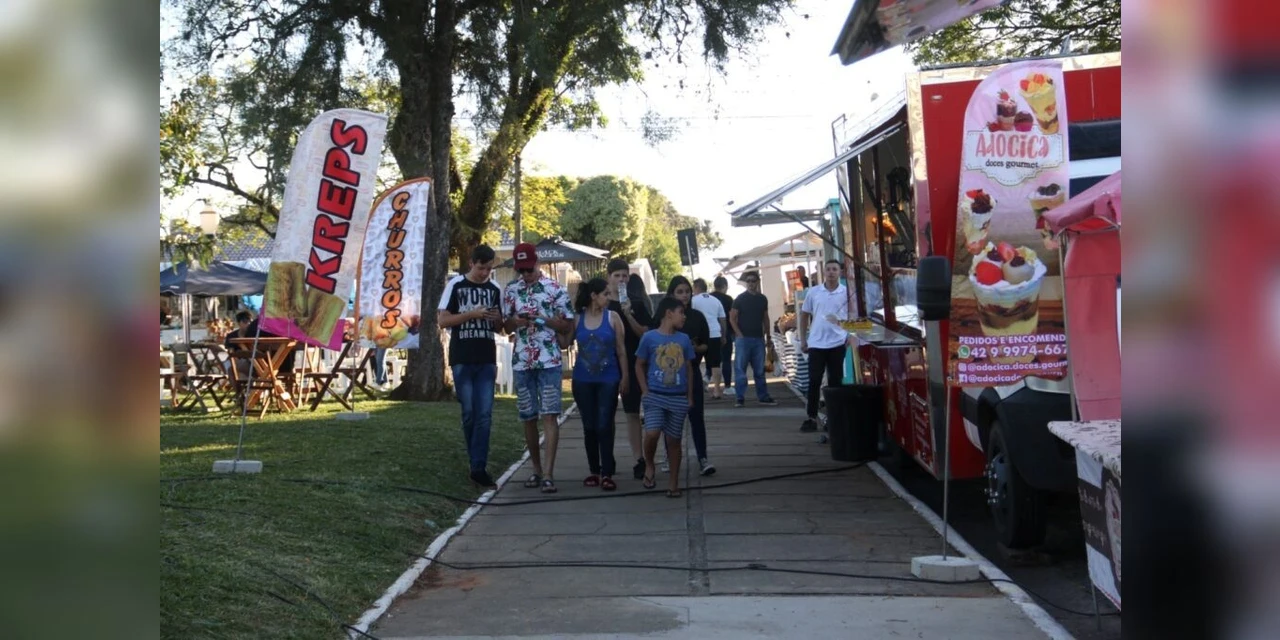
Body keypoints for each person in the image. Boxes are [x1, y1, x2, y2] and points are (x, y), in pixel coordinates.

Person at [502, 242, 575, 494]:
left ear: (538, 263)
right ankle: (535, 468)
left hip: (549, 360)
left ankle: (548, 473)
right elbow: (506, 326)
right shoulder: (511, 290)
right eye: (521, 270)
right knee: (528, 416)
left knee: (549, 414)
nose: (526, 274)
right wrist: (516, 321)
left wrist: (543, 320)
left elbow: (567, 325)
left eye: (529, 269)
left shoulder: (555, 289)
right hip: (522, 360)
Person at [439, 244, 503, 488]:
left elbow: (500, 328)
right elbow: (442, 320)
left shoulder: (495, 288)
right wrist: (471, 315)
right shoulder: (456, 285)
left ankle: (479, 466)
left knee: (484, 413)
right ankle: (474, 459)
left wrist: (497, 319)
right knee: (469, 412)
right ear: (471, 263)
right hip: (462, 357)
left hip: (486, 356)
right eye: (481, 268)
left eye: (488, 269)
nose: (484, 273)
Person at [569, 278, 629, 491]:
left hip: (608, 379)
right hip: (582, 380)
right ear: (593, 296)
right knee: (589, 426)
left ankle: (607, 472)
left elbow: (621, 350)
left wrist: (625, 377)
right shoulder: (578, 319)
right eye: (605, 294)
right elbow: (564, 341)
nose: (608, 297)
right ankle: (594, 470)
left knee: (604, 425)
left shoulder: (613, 318)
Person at [635, 296, 695, 497]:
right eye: (681, 312)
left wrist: (690, 396)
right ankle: (649, 463)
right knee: (652, 432)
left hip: (677, 397)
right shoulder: (650, 338)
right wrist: (645, 391)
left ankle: (673, 483)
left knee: (674, 440)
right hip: (655, 396)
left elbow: (688, 369)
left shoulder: (684, 339)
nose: (684, 317)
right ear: (669, 314)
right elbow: (639, 364)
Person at [605, 260, 654, 481]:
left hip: (633, 362)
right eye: (617, 276)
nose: (622, 280)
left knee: (632, 412)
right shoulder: (602, 304)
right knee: (606, 415)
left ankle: (639, 459)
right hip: (607, 364)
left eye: (625, 276)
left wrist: (629, 314)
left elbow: (645, 333)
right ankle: (606, 458)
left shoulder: (636, 304)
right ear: (609, 278)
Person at [667, 276, 715, 475]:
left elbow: (707, 344)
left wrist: (695, 348)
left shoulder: (697, 317)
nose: (684, 295)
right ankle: (670, 458)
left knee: (696, 416)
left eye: (687, 291)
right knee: (670, 419)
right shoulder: (665, 317)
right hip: (670, 374)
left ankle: (702, 457)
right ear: (672, 294)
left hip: (692, 371)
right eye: (680, 292)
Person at [799, 259, 854, 432]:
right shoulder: (814, 292)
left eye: (834, 269)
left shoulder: (847, 293)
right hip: (816, 343)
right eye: (828, 269)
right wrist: (803, 339)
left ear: (840, 272)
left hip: (838, 342)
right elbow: (804, 316)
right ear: (824, 272)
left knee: (835, 381)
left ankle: (834, 418)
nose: (831, 272)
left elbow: (853, 317)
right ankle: (811, 417)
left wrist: (850, 337)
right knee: (814, 380)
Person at [730, 270, 777, 407]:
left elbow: (765, 318)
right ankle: (739, 397)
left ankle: (763, 396)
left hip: (758, 339)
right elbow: (732, 318)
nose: (750, 283)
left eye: (753, 280)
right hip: (743, 340)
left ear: (757, 282)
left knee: (759, 371)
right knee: (740, 370)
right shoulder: (739, 299)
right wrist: (739, 334)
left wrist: (768, 336)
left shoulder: (762, 299)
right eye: (748, 281)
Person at [691, 278, 727, 400]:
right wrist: (723, 335)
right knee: (715, 364)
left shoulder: (693, 300)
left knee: (694, 364)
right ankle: (717, 390)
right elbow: (722, 319)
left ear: (696, 287)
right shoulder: (716, 300)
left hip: (699, 336)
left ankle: (695, 389)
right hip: (715, 334)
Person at [711, 276, 735, 391]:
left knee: (713, 360)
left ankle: (708, 379)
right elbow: (731, 317)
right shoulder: (728, 299)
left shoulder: (709, 298)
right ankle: (727, 386)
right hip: (726, 332)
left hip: (711, 332)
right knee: (726, 360)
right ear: (725, 286)